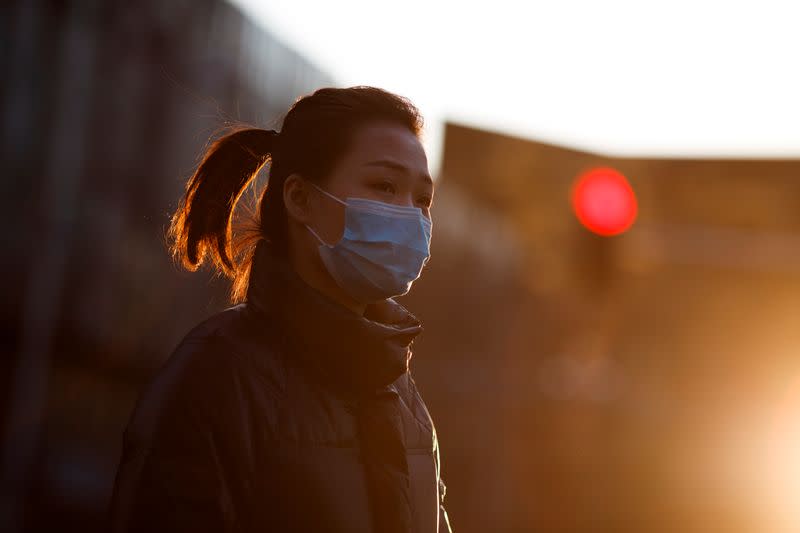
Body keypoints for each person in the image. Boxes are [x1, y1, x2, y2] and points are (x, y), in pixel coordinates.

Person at [108, 86, 453, 533]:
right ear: (300, 199)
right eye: (383, 186)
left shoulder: (400, 392)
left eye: (422, 199)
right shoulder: (216, 374)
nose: (409, 214)